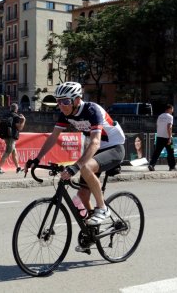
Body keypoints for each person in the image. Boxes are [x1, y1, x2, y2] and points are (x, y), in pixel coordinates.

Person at [26, 82, 126, 230]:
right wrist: (37, 159)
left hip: (114, 147)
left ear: (77, 100)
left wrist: (75, 167)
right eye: (58, 101)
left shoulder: (92, 110)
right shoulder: (65, 114)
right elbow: (53, 137)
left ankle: (102, 208)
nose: (61, 105)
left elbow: (96, 142)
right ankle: (91, 231)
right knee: (82, 196)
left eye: (65, 101)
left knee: (85, 167)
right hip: (95, 150)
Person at [0, 103, 25, 174]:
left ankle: (18, 168)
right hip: (11, 136)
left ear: (10, 108)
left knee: (14, 152)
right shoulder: (16, 116)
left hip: (5, 135)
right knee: (8, 151)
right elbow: (19, 128)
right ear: (16, 109)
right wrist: (23, 120)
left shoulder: (5, 115)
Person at [148, 104, 176, 171]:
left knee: (157, 152)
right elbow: (169, 127)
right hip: (168, 138)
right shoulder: (170, 117)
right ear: (169, 109)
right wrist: (169, 138)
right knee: (171, 152)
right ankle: (172, 167)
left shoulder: (160, 116)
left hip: (159, 137)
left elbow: (157, 126)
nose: (172, 111)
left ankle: (151, 165)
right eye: (172, 109)